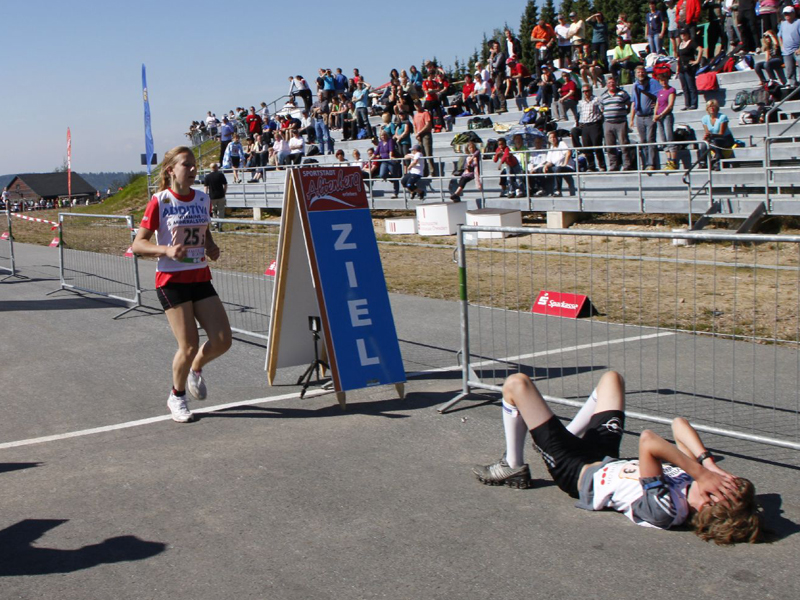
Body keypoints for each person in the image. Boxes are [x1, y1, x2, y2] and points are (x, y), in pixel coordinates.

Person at [472, 371, 763, 545]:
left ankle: (513, 466)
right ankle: (563, 436)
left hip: (576, 471)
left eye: (722, 489)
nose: (720, 482)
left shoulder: (667, 509)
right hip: (605, 457)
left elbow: (649, 441)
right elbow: (679, 425)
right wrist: (707, 463)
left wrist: (700, 473)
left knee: (516, 384)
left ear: (708, 503)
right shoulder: (695, 483)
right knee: (611, 380)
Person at [131, 146, 232, 423]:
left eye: (194, 164)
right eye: (186, 165)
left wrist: (211, 247)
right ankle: (176, 396)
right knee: (188, 345)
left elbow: (204, 232)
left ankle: (196, 368)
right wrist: (165, 250)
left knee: (223, 340)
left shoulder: (202, 199)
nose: (193, 169)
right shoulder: (160, 201)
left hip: (199, 276)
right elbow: (138, 244)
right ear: (171, 170)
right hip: (171, 280)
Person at [630, 65, 663, 170]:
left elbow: (660, 96)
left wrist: (656, 107)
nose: (641, 74)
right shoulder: (635, 85)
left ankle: (651, 163)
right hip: (639, 117)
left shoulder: (653, 82)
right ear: (635, 74)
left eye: (642, 72)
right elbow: (633, 103)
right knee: (643, 140)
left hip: (650, 116)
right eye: (638, 72)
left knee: (650, 139)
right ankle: (645, 163)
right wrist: (631, 119)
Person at [599, 76, 634, 171]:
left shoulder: (622, 93)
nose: (611, 84)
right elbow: (601, 108)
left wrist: (624, 113)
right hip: (608, 123)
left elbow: (630, 105)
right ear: (607, 85)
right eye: (609, 83)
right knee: (610, 146)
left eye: (613, 82)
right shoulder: (603, 96)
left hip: (621, 122)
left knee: (624, 145)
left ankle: (627, 165)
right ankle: (613, 165)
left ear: (616, 83)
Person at [577, 84, 606, 172]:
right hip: (585, 125)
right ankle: (591, 166)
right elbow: (580, 114)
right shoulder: (581, 102)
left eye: (587, 91)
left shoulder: (596, 99)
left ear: (591, 91)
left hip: (594, 124)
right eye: (584, 91)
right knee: (587, 147)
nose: (585, 93)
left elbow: (602, 110)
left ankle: (602, 165)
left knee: (597, 146)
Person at [699, 99, 734, 169]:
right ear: (707, 109)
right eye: (710, 106)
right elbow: (707, 132)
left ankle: (718, 161)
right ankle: (703, 162)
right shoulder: (704, 119)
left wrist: (711, 136)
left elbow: (721, 133)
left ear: (717, 108)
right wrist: (707, 137)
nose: (711, 108)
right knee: (704, 144)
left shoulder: (723, 117)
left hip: (725, 138)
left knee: (715, 142)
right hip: (713, 138)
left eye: (713, 106)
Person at [654, 73, 679, 170]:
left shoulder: (671, 90)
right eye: (661, 80)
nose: (663, 82)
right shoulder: (660, 91)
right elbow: (657, 104)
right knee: (663, 138)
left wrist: (661, 114)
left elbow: (670, 105)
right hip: (659, 117)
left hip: (666, 116)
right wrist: (655, 114)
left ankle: (673, 161)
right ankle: (668, 160)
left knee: (669, 137)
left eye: (665, 80)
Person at [541, 129, 576, 197]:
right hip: (557, 167)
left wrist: (565, 164)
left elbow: (568, 152)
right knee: (543, 170)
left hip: (568, 167)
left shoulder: (561, 144)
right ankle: (546, 190)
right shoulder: (551, 148)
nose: (552, 139)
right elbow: (550, 162)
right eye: (551, 138)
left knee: (558, 169)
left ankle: (558, 190)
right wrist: (546, 166)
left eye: (554, 137)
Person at [677, 28, 701, 110]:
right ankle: (687, 104)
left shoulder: (691, 43)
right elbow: (678, 57)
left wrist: (697, 61)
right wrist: (677, 69)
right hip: (681, 68)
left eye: (684, 34)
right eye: (681, 34)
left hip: (689, 67)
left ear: (688, 34)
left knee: (691, 86)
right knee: (684, 87)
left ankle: (693, 103)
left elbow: (700, 49)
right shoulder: (680, 44)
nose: (683, 36)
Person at [779, 6, 800, 88]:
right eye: (785, 14)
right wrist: (782, 46)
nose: (786, 15)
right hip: (787, 51)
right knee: (789, 70)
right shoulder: (783, 24)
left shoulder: (798, 22)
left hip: (797, 50)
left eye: (788, 13)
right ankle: (793, 85)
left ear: (793, 13)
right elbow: (779, 36)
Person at [375, 131, 400, 198]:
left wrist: (391, 156)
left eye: (384, 135)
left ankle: (395, 192)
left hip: (390, 161)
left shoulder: (390, 141)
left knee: (394, 176)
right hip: (384, 161)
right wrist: (370, 158)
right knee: (382, 175)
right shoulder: (380, 143)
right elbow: (376, 152)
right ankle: (392, 179)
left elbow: (391, 150)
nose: (383, 136)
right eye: (382, 135)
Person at [413, 102, 435, 177]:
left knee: (428, 153)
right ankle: (424, 172)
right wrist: (416, 134)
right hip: (419, 135)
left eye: (418, 105)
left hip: (426, 134)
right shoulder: (415, 115)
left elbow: (428, 125)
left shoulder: (425, 113)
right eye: (416, 105)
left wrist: (419, 132)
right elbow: (415, 126)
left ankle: (432, 172)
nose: (417, 106)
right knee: (421, 154)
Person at [489, 40, 508, 112]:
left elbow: (496, 65)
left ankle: (503, 106)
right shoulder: (495, 55)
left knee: (499, 89)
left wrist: (491, 61)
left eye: (497, 47)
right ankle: (500, 106)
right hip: (495, 74)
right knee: (497, 90)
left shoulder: (501, 55)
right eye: (495, 47)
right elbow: (491, 64)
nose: (496, 48)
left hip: (500, 73)